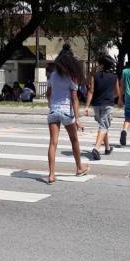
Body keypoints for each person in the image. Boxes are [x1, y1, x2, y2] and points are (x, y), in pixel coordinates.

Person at [45, 50, 89, 183]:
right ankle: (79, 168)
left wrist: (51, 104)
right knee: (74, 140)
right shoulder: (72, 77)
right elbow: (74, 99)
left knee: (53, 143)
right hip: (66, 112)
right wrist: (77, 119)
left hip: (53, 111)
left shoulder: (53, 75)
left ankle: (51, 175)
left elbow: (48, 94)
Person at [85, 55, 119, 160]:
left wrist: (86, 106)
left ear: (102, 65)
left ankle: (107, 148)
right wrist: (110, 97)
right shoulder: (114, 77)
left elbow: (91, 91)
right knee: (104, 126)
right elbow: (117, 93)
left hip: (96, 105)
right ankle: (96, 148)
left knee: (103, 125)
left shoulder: (95, 76)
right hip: (108, 104)